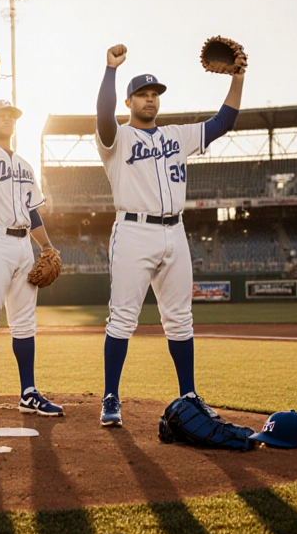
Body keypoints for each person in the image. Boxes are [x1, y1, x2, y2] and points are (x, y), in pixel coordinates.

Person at [94, 43, 243, 426]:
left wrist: (238, 78)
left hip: (175, 232)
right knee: (123, 318)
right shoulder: (117, 140)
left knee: (180, 319)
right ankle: (111, 397)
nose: (149, 100)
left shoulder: (178, 135)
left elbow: (223, 122)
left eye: (154, 94)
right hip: (133, 232)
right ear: (129, 101)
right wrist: (110, 71)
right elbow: (103, 116)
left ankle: (189, 396)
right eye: (142, 95)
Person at [0, 72, 63, 421]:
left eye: (13, 116)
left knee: (24, 323)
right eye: (2, 114)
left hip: (24, 247)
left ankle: (29, 393)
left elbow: (33, 213)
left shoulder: (24, 166)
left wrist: (48, 249)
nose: (8, 119)